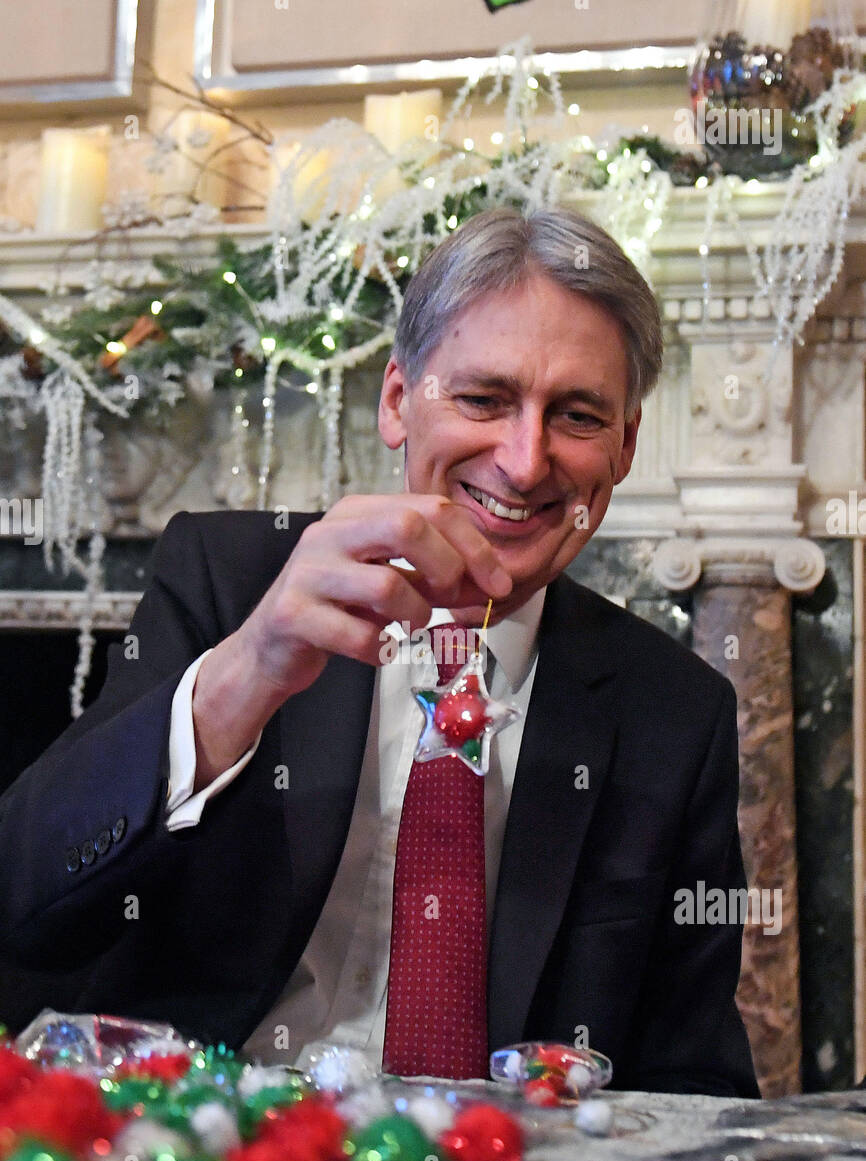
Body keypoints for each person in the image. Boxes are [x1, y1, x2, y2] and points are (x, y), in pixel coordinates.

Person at [0, 207, 760, 1096]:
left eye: (578, 416)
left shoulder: (675, 709)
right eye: (483, 399)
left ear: (625, 447)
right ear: (399, 401)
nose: (523, 462)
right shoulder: (231, 579)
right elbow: (23, 901)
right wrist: (245, 673)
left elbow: (694, 1083)